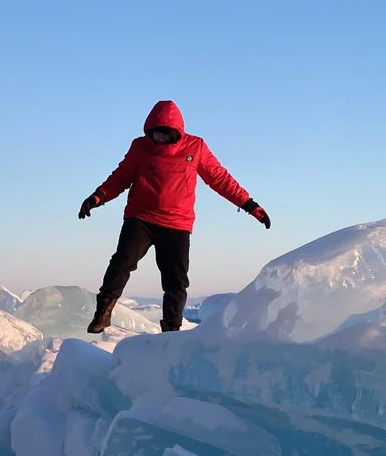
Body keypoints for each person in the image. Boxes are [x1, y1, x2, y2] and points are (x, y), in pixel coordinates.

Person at [78, 100, 270, 333]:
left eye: (163, 134)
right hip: (141, 218)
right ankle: (103, 313)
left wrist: (250, 205)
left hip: (177, 223)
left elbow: (219, 178)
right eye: (154, 133)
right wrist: (98, 197)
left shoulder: (195, 147)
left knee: (176, 281)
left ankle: (172, 329)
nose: (158, 138)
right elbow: (120, 176)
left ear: (175, 132)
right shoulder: (140, 147)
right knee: (121, 262)